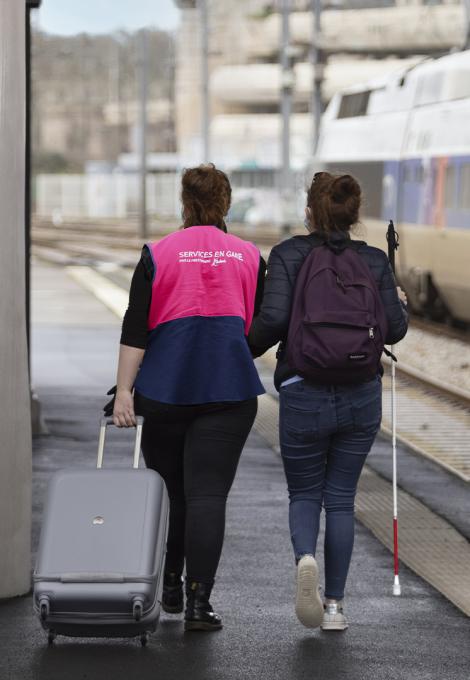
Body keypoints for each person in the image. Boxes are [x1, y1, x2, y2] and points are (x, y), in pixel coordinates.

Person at [248, 172, 408, 631]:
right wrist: (399, 302)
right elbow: (393, 330)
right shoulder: (376, 260)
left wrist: (242, 351)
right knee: (340, 499)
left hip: (302, 389)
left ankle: (305, 559)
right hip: (360, 393)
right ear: (354, 215)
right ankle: (335, 606)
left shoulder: (288, 254)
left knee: (304, 493)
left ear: (309, 212)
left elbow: (274, 319)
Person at [111, 164, 266, 632]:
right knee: (207, 497)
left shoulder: (158, 252)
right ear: (227, 202)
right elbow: (258, 327)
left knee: (173, 494)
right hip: (229, 391)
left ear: (184, 201)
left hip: (165, 390)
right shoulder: (250, 254)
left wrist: (123, 391)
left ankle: (172, 584)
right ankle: (200, 604)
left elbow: (135, 327)